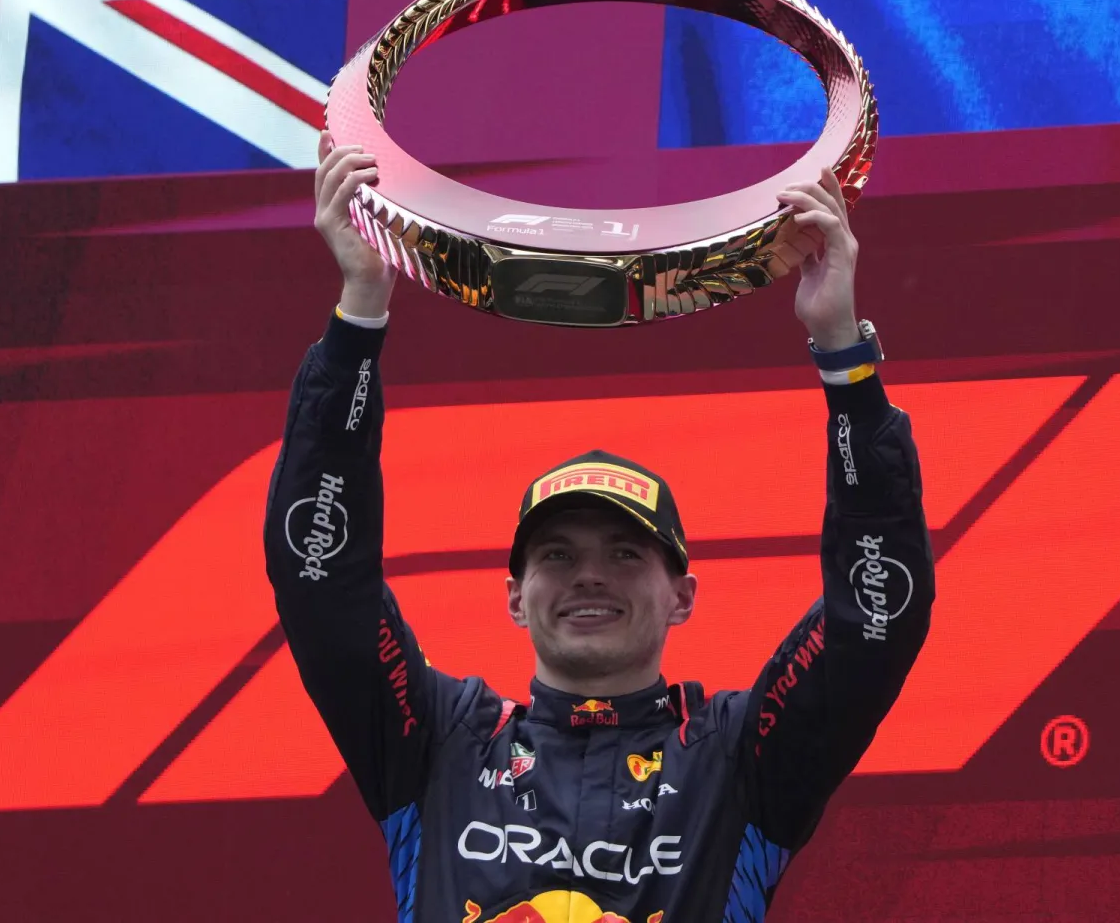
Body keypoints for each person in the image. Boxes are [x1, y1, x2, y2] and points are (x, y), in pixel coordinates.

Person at [265, 132, 935, 923]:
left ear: (682, 595)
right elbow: (320, 581)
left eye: (624, 553)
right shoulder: (438, 744)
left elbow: (875, 620)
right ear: (514, 596)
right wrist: (359, 313)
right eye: (557, 554)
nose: (589, 575)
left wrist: (844, 357)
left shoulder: (737, 759)